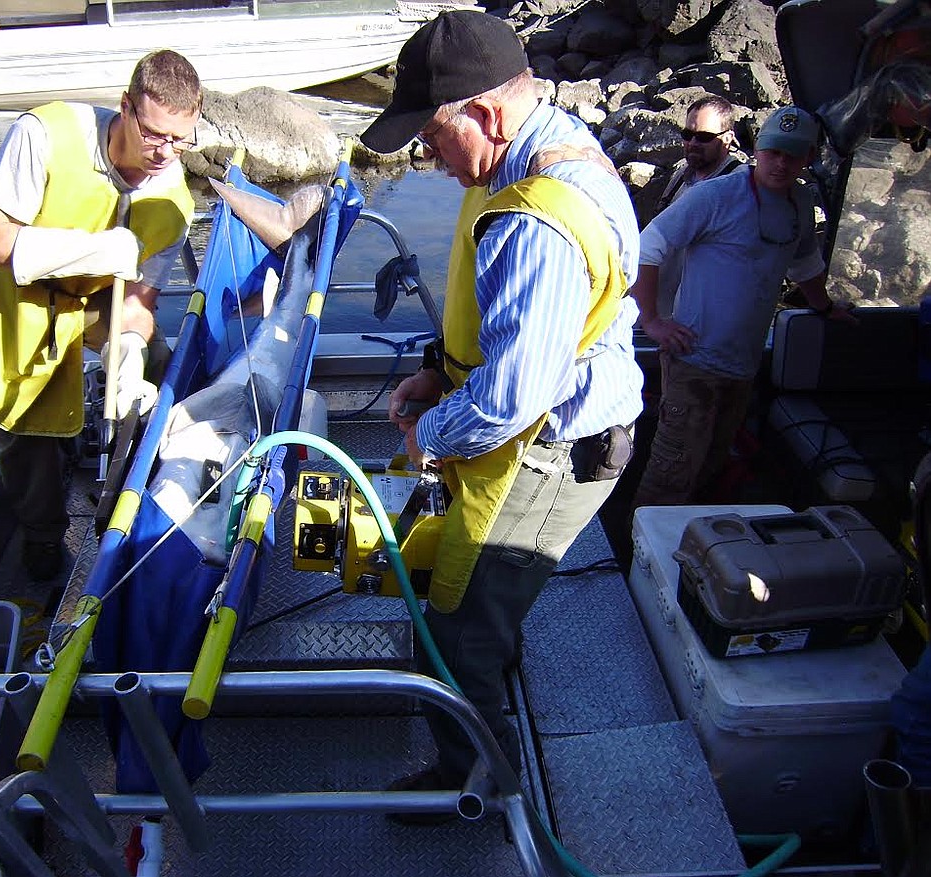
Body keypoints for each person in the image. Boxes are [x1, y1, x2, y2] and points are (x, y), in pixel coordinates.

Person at [360, 9, 644, 816]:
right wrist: (434, 373)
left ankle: (478, 787)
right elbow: (517, 324)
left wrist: (431, 435)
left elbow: (516, 395)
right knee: (477, 610)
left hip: (547, 449)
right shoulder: (546, 151)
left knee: (453, 630)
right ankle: (489, 686)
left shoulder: (531, 217)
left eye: (432, 138)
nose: (430, 159)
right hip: (545, 425)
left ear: (483, 114)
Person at [0, 50, 200, 583]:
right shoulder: (46, 136)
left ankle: (135, 489)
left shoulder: (174, 200)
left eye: (182, 140)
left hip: (91, 307)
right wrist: (98, 252)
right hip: (13, 307)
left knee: (156, 360)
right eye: (156, 134)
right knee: (30, 439)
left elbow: (139, 297)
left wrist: (129, 353)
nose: (166, 153)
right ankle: (43, 541)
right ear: (125, 109)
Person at [630, 105, 855, 511]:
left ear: (808, 158)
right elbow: (647, 248)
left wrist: (823, 308)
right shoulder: (714, 196)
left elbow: (804, 263)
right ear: (758, 151)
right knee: (672, 472)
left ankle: (696, 553)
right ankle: (639, 558)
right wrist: (653, 321)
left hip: (743, 367)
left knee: (712, 466)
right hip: (693, 361)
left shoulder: (799, 203)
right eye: (773, 152)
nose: (781, 163)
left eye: (793, 154)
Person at [650, 94, 746, 317]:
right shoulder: (680, 175)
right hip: (659, 314)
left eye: (703, 137)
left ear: (728, 138)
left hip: (701, 321)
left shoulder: (738, 186)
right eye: (688, 135)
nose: (693, 143)